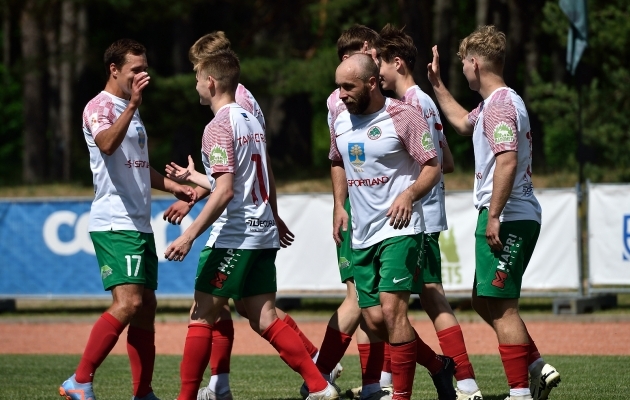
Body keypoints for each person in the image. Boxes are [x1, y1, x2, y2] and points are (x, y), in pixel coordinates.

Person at [162, 31, 333, 400]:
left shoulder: (217, 125)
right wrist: (196, 179)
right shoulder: (251, 118)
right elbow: (247, 175)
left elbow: (225, 191)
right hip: (261, 231)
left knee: (201, 314)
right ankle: (320, 385)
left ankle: (187, 396)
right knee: (264, 316)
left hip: (233, 234)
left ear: (210, 80)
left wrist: (189, 234)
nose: (194, 84)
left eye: (196, 77)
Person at [426, 25, 561, 400]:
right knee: (481, 299)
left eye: (464, 66)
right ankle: (535, 366)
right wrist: (437, 86)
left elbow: (507, 161)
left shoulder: (500, 104)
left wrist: (496, 214)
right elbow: (460, 122)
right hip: (512, 211)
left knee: (501, 307)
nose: (463, 72)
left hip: (509, 213)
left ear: (474, 63)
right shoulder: (494, 103)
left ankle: (520, 392)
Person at [59, 39, 197, 400]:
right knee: (129, 303)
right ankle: (80, 380)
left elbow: (138, 167)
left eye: (144, 68)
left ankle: (143, 392)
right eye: (135, 69)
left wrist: (173, 187)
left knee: (146, 307)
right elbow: (106, 144)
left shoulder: (130, 110)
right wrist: (133, 104)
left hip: (138, 222)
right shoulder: (100, 106)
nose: (142, 75)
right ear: (114, 70)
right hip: (113, 220)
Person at [330, 53, 456, 400]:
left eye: (348, 87)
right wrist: (339, 206)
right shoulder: (340, 120)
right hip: (361, 232)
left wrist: (409, 195)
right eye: (338, 86)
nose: (340, 94)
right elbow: (337, 160)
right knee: (373, 320)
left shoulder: (403, 116)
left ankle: (400, 396)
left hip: (400, 229)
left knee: (392, 311)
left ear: (371, 83)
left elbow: (434, 165)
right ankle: (436, 365)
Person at [378, 24, 482, 400]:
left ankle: (465, 381)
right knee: (401, 297)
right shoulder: (423, 102)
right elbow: (448, 160)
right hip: (420, 213)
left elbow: (435, 162)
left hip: (417, 217)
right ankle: (393, 378)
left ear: (398, 63)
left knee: (425, 295)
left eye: (380, 63)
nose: (376, 71)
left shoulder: (411, 104)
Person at [310, 24, 393, 400]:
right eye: (376, 52)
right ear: (360, 52)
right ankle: (317, 375)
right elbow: (338, 158)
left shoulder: (388, 99)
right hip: (359, 215)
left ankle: (375, 383)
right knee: (359, 300)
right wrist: (339, 205)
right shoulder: (341, 104)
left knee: (371, 304)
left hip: (383, 217)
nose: (381, 59)